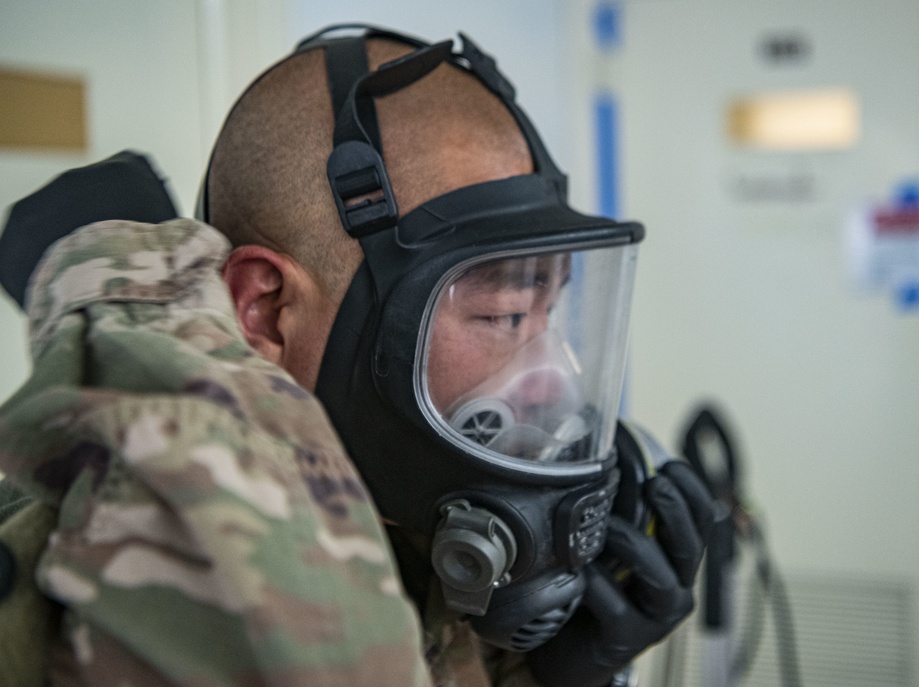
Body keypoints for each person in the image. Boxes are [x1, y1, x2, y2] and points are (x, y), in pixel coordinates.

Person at [0, 24, 714, 687]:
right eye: (502, 314)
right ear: (264, 310)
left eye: (549, 312)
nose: (555, 379)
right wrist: (140, 312)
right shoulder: (92, 569)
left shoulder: (415, 533)